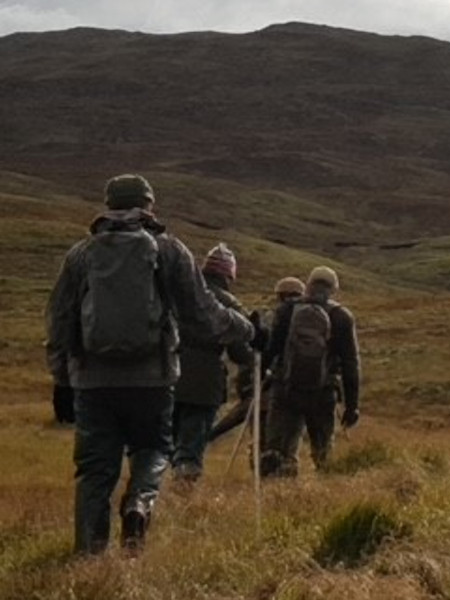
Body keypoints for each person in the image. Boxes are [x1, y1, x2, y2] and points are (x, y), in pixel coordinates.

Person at [45, 174, 263, 554]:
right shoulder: (170, 251)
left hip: (92, 383)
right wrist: (247, 329)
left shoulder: (81, 254)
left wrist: (62, 379)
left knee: (95, 470)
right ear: (149, 206)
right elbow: (204, 315)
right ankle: (139, 504)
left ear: (108, 204)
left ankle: (89, 557)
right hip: (152, 379)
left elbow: (59, 320)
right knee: (153, 450)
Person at [260, 266, 360, 477]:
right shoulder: (342, 317)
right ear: (333, 289)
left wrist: (260, 380)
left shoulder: (286, 311)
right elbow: (351, 364)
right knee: (323, 453)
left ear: (308, 285)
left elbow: (271, 350)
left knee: (278, 450)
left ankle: (277, 496)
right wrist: (352, 407)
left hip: (286, 390)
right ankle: (325, 498)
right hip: (323, 394)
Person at [171, 243, 254, 482]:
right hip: (205, 381)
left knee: (167, 437)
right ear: (229, 273)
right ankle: (183, 490)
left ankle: (154, 492)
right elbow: (239, 352)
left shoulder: (179, 294)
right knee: (192, 442)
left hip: (167, 372)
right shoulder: (227, 303)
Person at [208, 276, 305, 444]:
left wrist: (255, 377)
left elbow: (258, 352)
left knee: (259, 434)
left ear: (280, 295)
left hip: (268, 387)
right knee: (288, 435)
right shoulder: (310, 318)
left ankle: (261, 462)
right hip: (300, 386)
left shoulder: (272, 317)